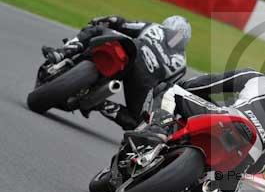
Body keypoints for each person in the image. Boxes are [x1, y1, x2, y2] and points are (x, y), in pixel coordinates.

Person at [127, 58, 265, 192]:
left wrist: (187, 86)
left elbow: (209, 83)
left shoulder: (254, 77)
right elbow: (261, 166)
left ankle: (158, 130)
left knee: (170, 90)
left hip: (228, 120)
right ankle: (203, 191)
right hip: (244, 156)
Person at [42, 15, 191, 129]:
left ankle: (64, 52)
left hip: (132, 51)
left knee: (98, 29)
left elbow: (120, 22)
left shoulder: (154, 28)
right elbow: (163, 88)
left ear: (167, 24)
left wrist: (102, 20)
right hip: (145, 78)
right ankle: (100, 103)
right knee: (137, 121)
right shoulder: (182, 63)